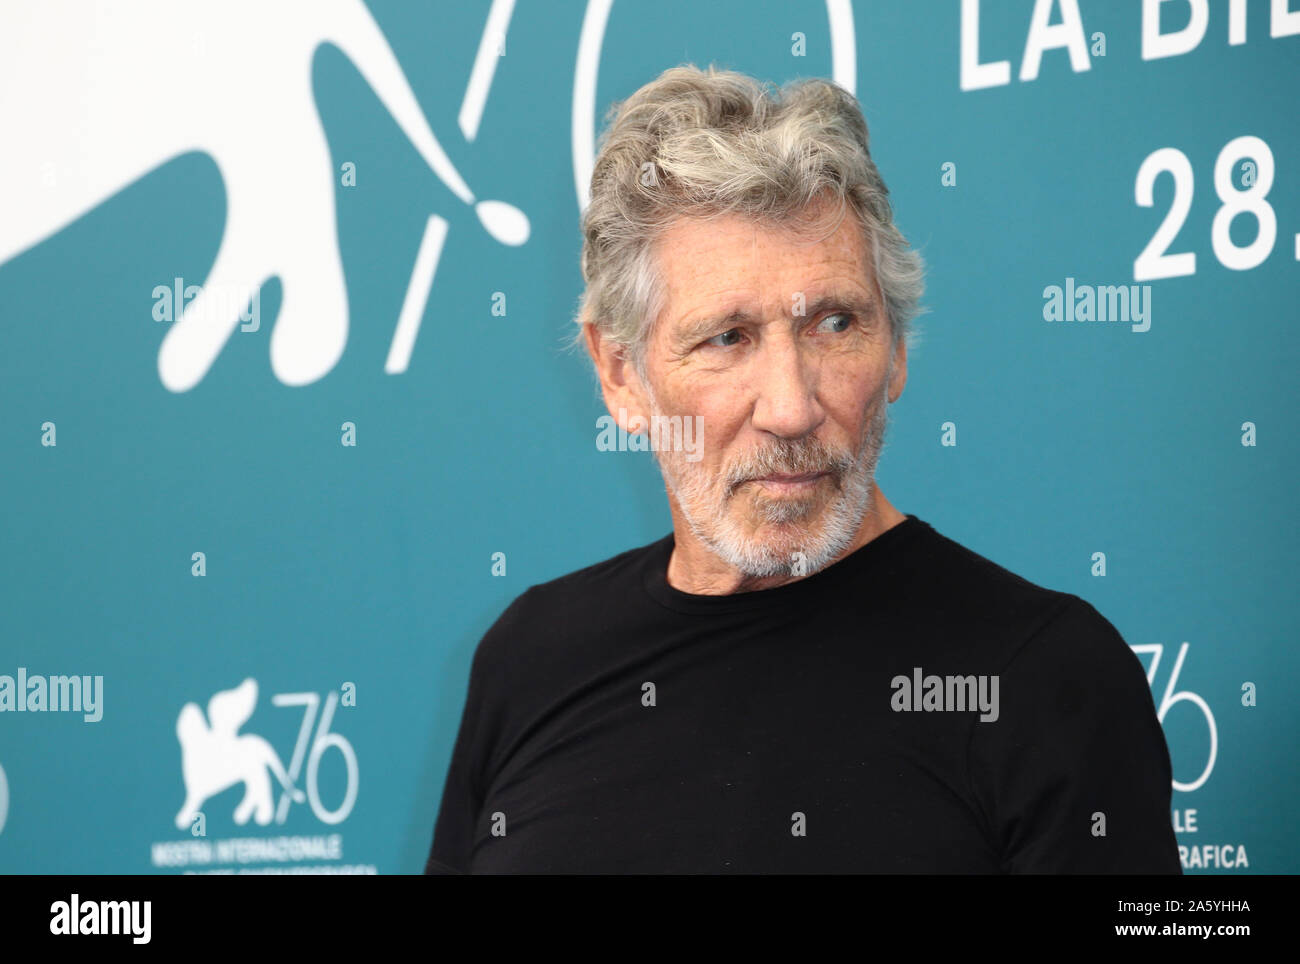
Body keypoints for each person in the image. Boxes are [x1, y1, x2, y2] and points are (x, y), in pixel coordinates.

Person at [424, 64, 1181, 874]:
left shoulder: (1045, 678)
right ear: (620, 374)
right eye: (727, 338)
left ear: (893, 351)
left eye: (834, 323)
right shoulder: (531, 656)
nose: (790, 409)